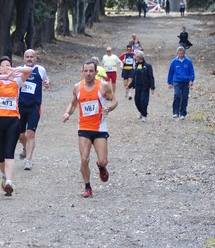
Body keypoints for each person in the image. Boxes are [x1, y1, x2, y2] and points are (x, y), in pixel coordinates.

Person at [62, 60, 118, 198]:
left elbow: (114, 100)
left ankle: (101, 167)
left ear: (96, 72)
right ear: (82, 71)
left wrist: (109, 108)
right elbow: (73, 103)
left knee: (103, 160)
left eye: (91, 71)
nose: (88, 74)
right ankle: (88, 187)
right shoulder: (77, 87)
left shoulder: (103, 86)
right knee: (84, 159)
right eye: (85, 71)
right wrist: (67, 113)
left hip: (100, 128)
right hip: (84, 128)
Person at [0, 56, 32, 196]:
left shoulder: (17, 83)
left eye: (8, 65)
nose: (7, 67)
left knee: (9, 153)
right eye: (3, 65)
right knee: (0, 156)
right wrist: (5, 75)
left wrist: (14, 70)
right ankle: (4, 176)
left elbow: (29, 70)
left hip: (13, 121)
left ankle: (9, 182)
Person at [18, 49, 50, 171]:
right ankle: (26, 148)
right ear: (24, 58)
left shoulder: (40, 70)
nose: (30, 58)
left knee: (30, 133)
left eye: (32, 56)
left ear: (35, 58)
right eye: (27, 57)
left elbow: (46, 80)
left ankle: (28, 160)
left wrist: (47, 83)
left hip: (34, 106)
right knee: (20, 134)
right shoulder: (19, 70)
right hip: (20, 105)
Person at [167, 46, 195, 120]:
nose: (180, 55)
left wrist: (191, 80)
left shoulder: (188, 61)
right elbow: (171, 72)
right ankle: (175, 112)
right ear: (177, 53)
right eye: (179, 54)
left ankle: (183, 113)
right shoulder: (174, 62)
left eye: (182, 53)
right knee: (177, 95)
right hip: (176, 81)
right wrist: (169, 82)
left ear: (184, 53)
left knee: (185, 97)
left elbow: (191, 71)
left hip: (186, 81)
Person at [128, 50, 155, 122]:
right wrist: (130, 86)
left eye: (136, 56)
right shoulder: (137, 65)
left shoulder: (148, 66)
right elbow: (135, 77)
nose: (135, 57)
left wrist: (152, 87)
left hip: (145, 87)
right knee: (137, 101)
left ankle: (144, 115)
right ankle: (141, 112)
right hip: (138, 86)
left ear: (140, 57)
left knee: (143, 101)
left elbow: (151, 77)